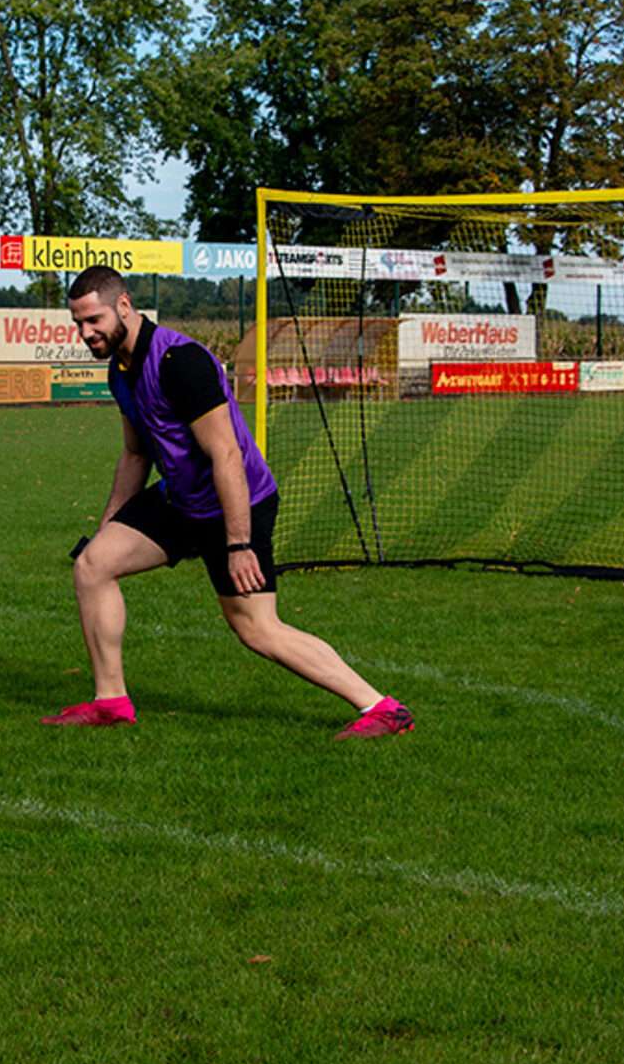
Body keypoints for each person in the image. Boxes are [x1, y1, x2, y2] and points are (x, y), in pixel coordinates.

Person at [47, 264, 414, 740]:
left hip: (235, 503)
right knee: (93, 565)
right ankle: (111, 702)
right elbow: (136, 453)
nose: (85, 332)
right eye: (77, 323)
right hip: (182, 500)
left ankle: (382, 708)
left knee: (257, 629)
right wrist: (109, 526)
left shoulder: (180, 362)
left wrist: (239, 543)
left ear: (123, 306)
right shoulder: (120, 370)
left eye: (93, 320)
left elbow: (226, 455)